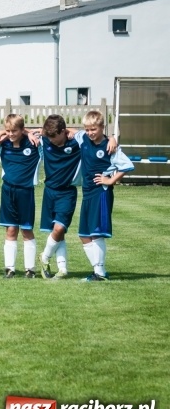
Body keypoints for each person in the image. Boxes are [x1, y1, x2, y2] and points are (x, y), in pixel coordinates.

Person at [76, 110, 134, 282]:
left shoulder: (110, 146)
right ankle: (98, 271)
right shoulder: (83, 138)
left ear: (102, 127)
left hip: (100, 193)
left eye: (93, 129)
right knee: (84, 234)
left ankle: (99, 273)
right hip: (87, 192)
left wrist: (110, 180)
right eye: (87, 129)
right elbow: (69, 132)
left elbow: (127, 165)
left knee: (96, 233)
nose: (90, 133)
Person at [0, 114, 41, 278]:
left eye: (14, 131)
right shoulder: (3, 145)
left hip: (26, 192)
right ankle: (10, 268)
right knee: (11, 230)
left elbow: (51, 133)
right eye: (8, 131)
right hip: (8, 191)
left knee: (26, 230)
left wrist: (29, 133)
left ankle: (30, 269)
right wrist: (0, 134)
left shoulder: (34, 143)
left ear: (21, 130)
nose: (11, 134)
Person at [36, 115, 82, 280]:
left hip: (67, 192)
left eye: (54, 137)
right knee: (57, 232)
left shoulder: (76, 143)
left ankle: (45, 256)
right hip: (49, 192)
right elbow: (22, 131)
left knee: (59, 229)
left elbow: (93, 135)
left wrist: (111, 139)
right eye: (49, 137)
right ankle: (62, 269)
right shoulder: (46, 140)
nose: (51, 140)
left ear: (63, 131)